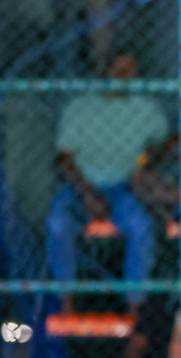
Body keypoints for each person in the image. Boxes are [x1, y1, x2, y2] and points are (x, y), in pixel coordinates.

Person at [46, 49, 170, 311]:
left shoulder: (145, 109)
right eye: (119, 68)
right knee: (57, 224)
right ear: (106, 70)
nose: (125, 76)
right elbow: (65, 159)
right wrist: (87, 194)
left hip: (122, 185)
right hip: (81, 185)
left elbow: (168, 142)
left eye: (131, 71)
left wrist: (145, 164)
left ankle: (134, 304)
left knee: (141, 227)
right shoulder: (80, 107)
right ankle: (66, 300)